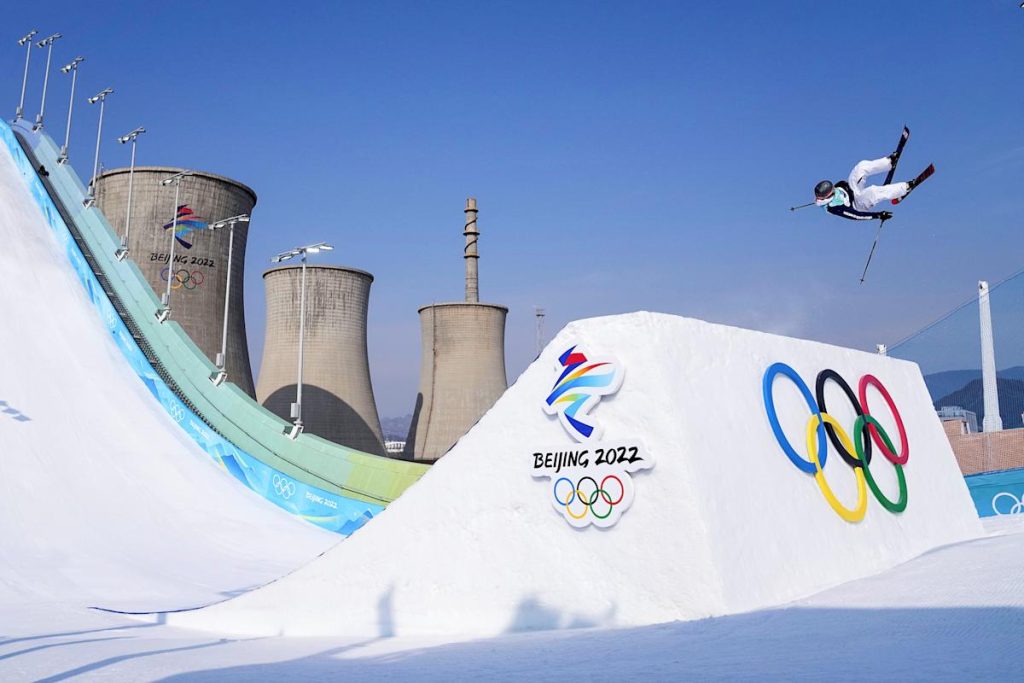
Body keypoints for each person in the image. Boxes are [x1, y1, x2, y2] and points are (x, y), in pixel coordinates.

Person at [814, 151, 922, 221]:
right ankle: (906, 187)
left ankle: (888, 162)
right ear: (826, 197)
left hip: (853, 190)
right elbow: (856, 216)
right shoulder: (834, 207)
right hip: (858, 204)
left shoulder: (833, 191)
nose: (834, 189)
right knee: (873, 191)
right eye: (831, 191)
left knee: (860, 167)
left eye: (833, 187)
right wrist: (878, 215)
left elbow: (841, 185)